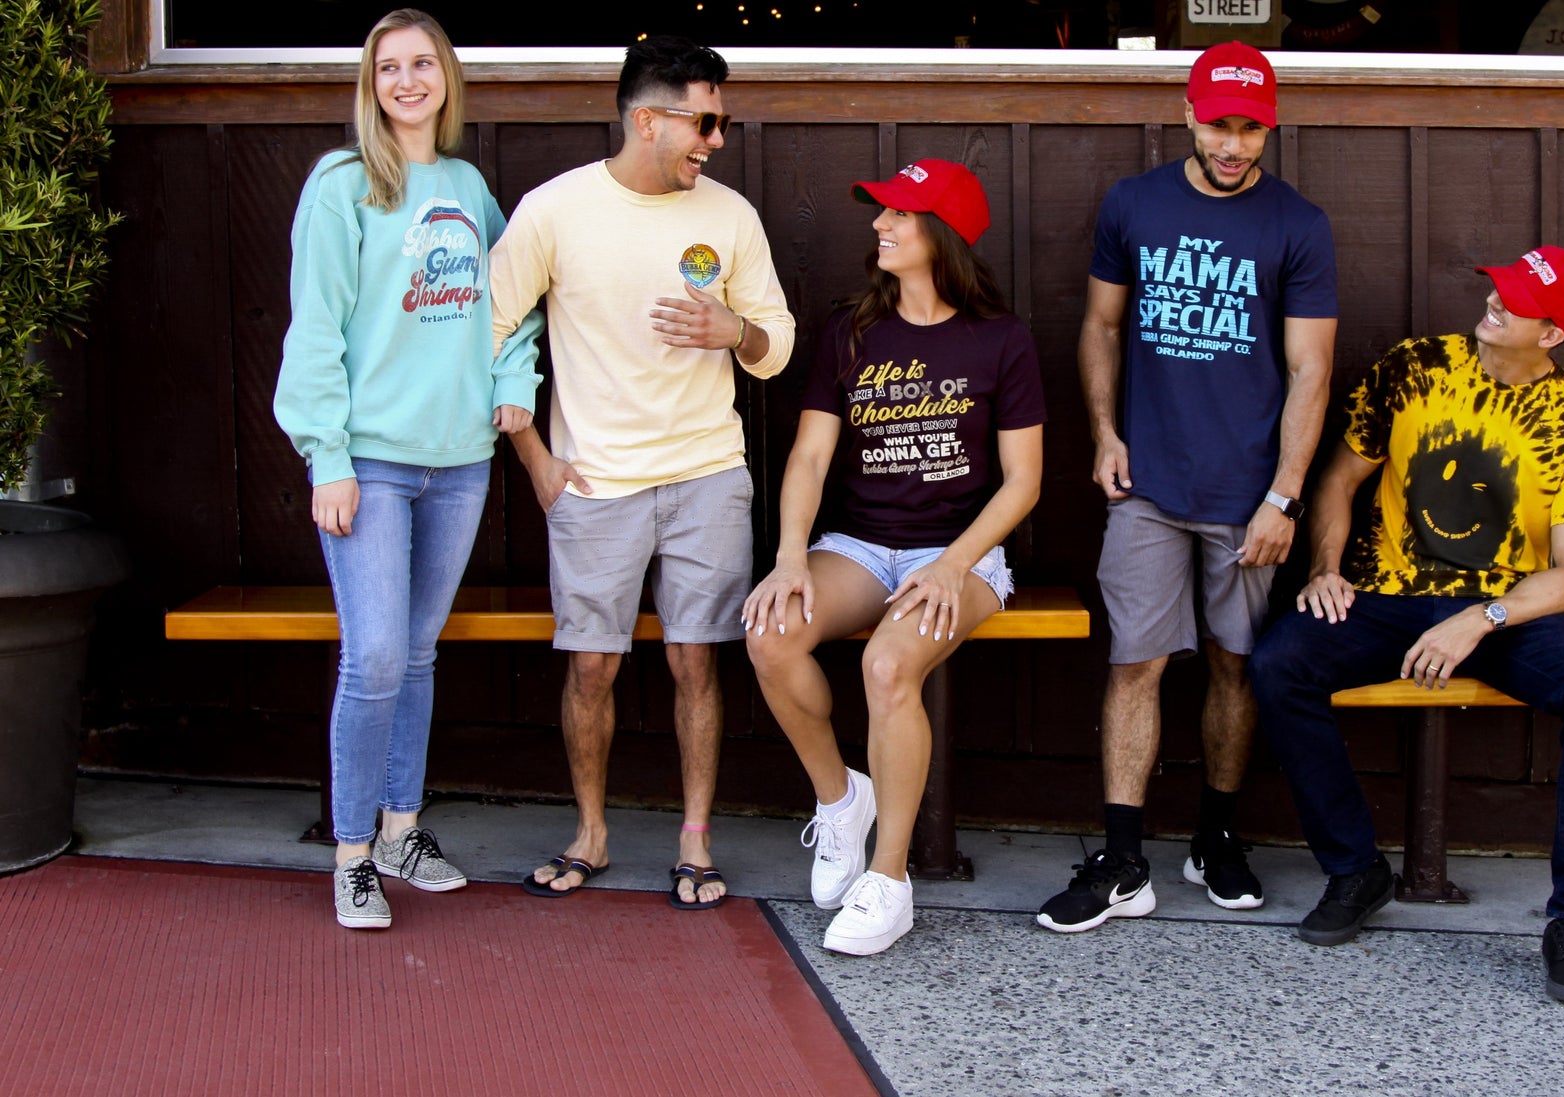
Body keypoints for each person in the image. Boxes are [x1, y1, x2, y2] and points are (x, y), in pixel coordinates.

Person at [1247, 246, 1564, 1007]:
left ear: (1551, 334)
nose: (1494, 303)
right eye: (1498, 287)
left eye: (1516, 301)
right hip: (1386, 592)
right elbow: (1341, 478)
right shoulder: (1416, 365)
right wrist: (1326, 568)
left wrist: (1479, 619)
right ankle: (1356, 868)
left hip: (1501, 610)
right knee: (1280, 662)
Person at [1037, 41, 1338, 933]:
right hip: (1149, 486)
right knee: (1134, 663)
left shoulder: (1298, 223)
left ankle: (1216, 833)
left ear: (1269, 126)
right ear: (1190, 115)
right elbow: (1099, 325)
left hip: (1248, 498)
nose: (1235, 144)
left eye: (1251, 128)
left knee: (1233, 662)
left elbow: (1311, 368)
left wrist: (1284, 495)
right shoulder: (1134, 203)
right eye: (1220, 125)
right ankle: (1125, 860)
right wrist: (1103, 433)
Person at [488, 36, 794, 909]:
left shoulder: (729, 216)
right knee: (591, 667)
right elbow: (490, 331)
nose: (717, 140)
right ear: (645, 118)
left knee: (698, 660)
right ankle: (590, 831)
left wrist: (734, 333)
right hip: (595, 484)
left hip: (707, 475)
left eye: (721, 123)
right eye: (704, 121)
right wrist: (538, 462)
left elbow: (780, 345)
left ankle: (695, 839)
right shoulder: (554, 211)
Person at [273, 8, 539, 930]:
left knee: (417, 654)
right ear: (371, 84)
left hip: (460, 459)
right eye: (389, 67)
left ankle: (400, 830)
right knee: (376, 655)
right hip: (371, 464)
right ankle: (352, 855)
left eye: (423, 64)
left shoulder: (466, 185)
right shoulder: (343, 185)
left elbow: (514, 303)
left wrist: (513, 382)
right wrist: (327, 458)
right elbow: (314, 329)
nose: (407, 81)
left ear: (446, 78)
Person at [744, 160, 1045, 956]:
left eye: (899, 214)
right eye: (880, 212)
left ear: (940, 234)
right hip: (860, 546)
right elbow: (809, 460)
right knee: (771, 636)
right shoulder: (852, 330)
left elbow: (1023, 483)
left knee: (887, 665)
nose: (880, 225)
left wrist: (953, 564)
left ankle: (890, 880)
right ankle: (841, 800)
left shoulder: (1001, 339)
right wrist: (789, 557)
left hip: (964, 556)